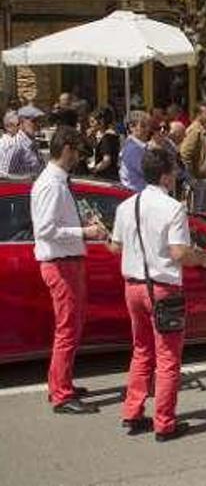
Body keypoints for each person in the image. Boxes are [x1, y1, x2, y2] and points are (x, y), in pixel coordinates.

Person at [108, 148, 206, 441]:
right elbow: (179, 252)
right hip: (162, 287)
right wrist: (204, 257)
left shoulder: (126, 206)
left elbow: (115, 246)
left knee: (141, 351)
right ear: (167, 175)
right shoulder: (172, 207)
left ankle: (132, 411)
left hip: (133, 285)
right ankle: (164, 422)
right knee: (167, 357)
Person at [31, 125, 108, 414]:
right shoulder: (51, 184)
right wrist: (85, 232)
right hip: (61, 263)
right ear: (66, 150)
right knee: (67, 328)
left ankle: (61, 383)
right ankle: (61, 393)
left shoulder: (55, 181)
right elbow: (47, 230)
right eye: (76, 152)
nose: (78, 158)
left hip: (66, 261)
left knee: (71, 326)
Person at [179, 102, 206, 213]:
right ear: (198, 115)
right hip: (198, 180)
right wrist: (191, 177)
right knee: (197, 214)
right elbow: (185, 154)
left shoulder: (205, 130)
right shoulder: (195, 131)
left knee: (205, 214)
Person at [0, 109, 44, 176]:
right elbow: (4, 178)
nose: (38, 124)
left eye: (40, 121)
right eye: (33, 121)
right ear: (21, 123)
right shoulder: (16, 146)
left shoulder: (31, 144)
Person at [119, 113, 152, 192]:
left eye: (148, 126)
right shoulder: (133, 148)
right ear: (131, 127)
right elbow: (147, 172)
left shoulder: (139, 146)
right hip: (135, 192)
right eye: (143, 126)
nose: (147, 129)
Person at [87, 108, 120, 181]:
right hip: (111, 175)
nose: (90, 124)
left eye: (92, 122)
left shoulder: (107, 138)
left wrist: (94, 170)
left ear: (101, 122)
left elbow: (107, 160)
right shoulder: (111, 135)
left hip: (105, 177)